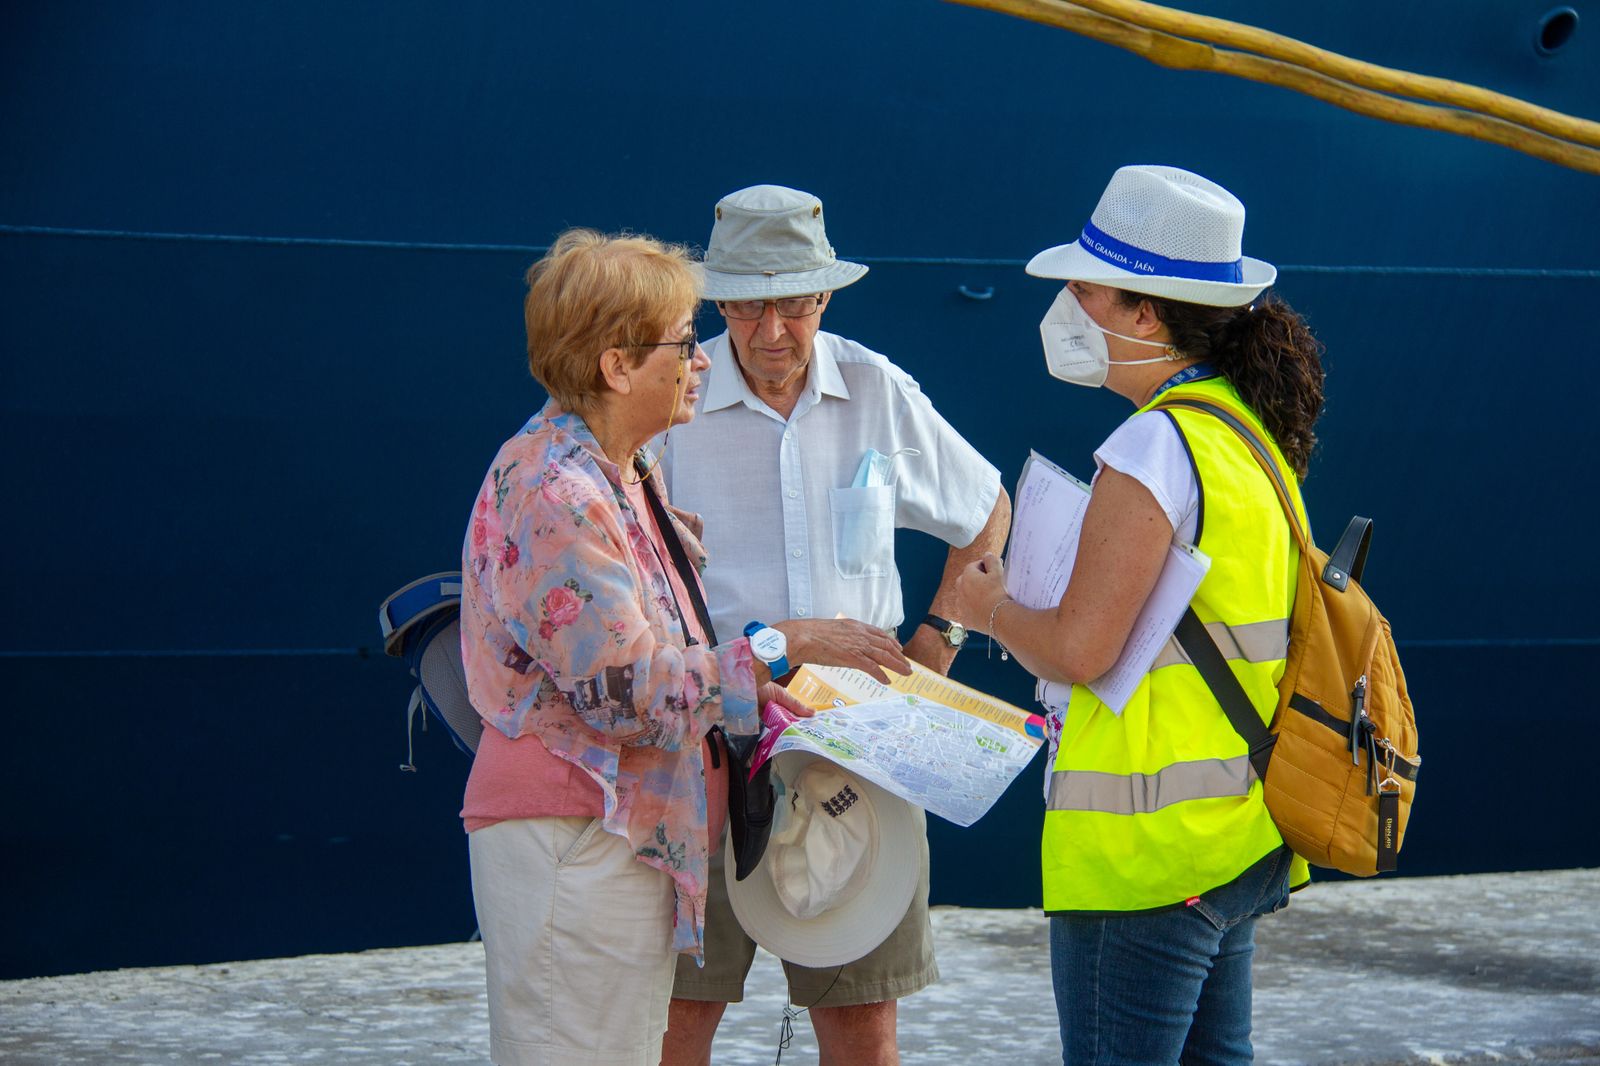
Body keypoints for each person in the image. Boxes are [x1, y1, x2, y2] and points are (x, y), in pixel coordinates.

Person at [458, 229, 910, 1066]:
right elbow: (626, 693)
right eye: (681, 344)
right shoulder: (559, 493)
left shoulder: (620, 469)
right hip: (576, 835)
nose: (702, 361)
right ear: (616, 366)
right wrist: (779, 648)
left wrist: (756, 683)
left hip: (614, 831)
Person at [954, 164, 1321, 1064]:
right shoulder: (1243, 432)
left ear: (1145, 313)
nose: (1068, 311)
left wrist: (989, 606)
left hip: (1142, 856)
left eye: (1085, 292)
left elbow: (1080, 649)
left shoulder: (1154, 445)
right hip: (1234, 832)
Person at [660, 185, 1012, 1066]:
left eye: (795, 302)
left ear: (826, 293)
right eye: (748, 305)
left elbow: (985, 509)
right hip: (705, 747)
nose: (773, 330)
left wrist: (939, 642)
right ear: (717, 302)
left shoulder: (875, 388)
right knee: (674, 1023)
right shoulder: (669, 401)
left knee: (862, 1030)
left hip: (864, 742)